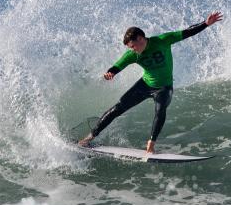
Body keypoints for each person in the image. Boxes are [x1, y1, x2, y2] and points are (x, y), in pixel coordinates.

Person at [79, 11, 223, 153]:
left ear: (141, 39)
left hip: (164, 87)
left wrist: (205, 24)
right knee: (117, 109)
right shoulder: (133, 54)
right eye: (130, 48)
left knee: (160, 111)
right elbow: (118, 65)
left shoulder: (162, 40)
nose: (132, 50)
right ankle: (88, 138)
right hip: (145, 85)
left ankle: (151, 145)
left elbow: (187, 32)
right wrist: (111, 73)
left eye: (133, 46)